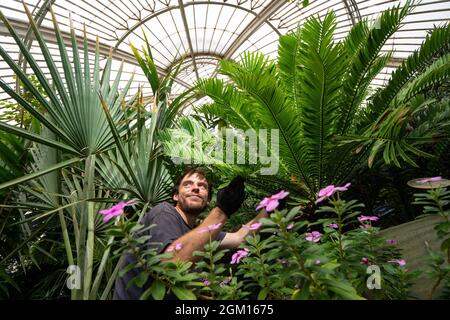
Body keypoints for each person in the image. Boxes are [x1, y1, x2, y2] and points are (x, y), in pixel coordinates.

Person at [113, 167, 267, 300]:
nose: (196, 188)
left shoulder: (200, 232)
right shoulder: (164, 213)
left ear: (207, 200)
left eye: (202, 186)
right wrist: (222, 211)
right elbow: (170, 264)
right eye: (188, 184)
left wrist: (268, 210)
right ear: (175, 195)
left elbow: (239, 238)